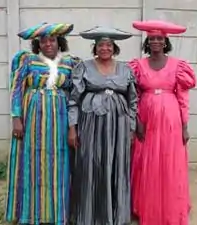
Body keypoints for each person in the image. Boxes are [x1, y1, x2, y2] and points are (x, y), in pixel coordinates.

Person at [5, 22, 80, 225]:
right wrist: (16, 118)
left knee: (59, 162)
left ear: (59, 42)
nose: (48, 43)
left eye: (52, 40)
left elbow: (75, 93)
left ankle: (56, 213)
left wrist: (74, 125)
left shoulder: (69, 63)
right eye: (43, 40)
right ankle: (31, 212)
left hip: (59, 118)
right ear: (38, 44)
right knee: (32, 161)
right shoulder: (28, 61)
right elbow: (16, 89)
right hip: (32, 118)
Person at [128, 20, 197, 225]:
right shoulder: (138, 66)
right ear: (147, 42)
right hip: (146, 118)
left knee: (169, 162)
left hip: (171, 120)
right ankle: (145, 206)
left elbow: (183, 97)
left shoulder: (178, 66)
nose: (156, 41)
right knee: (145, 161)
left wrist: (184, 126)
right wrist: (137, 121)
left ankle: (171, 208)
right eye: (152, 38)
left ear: (165, 41)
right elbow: (134, 95)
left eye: (159, 38)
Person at [67, 26, 137, 225]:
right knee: (91, 163)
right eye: (100, 45)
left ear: (114, 48)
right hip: (91, 124)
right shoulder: (84, 67)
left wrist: (131, 128)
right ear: (95, 48)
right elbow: (73, 99)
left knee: (116, 164)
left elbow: (132, 100)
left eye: (108, 45)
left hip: (119, 124)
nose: (104, 48)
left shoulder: (125, 69)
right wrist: (73, 127)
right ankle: (89, 216)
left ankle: (115, 215)